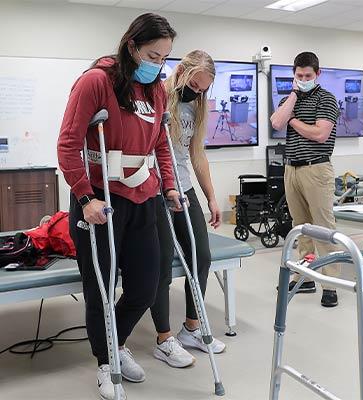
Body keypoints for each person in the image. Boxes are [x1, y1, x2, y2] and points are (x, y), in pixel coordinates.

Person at [57, 13, 180, 400]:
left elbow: (161, 142)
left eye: (164, 58)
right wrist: (84, 197)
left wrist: (171, 186)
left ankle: (117, 342)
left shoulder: (157, 90)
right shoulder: (96, 81)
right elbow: (68, 143)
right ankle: (106, 362)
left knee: (146, 285)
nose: (157, 65)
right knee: (101, 287)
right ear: (131, 46)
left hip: (145, 197)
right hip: (101, 201)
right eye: (152, 55)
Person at [150, 50, 226, 368]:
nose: (196, 92)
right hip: (155, 190)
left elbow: (196, 156)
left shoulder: (195, 108)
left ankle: (191, 329)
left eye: (202, 89)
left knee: (202, 257)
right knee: (162, 262)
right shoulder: (155, 98)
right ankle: (164, 339)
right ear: (181, 71)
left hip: (185, 187)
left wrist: (210, 197)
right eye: (194, 84)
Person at [270, 51, 340, 308]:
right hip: (292, 169)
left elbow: (320, 134)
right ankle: (306, 276)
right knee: (300, 227)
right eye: (298, 75)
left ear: (317, 74)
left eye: (307, 76)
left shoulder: (327, 99)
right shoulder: (291, 97)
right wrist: (293, 96)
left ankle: (330, 284)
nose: (303, 79)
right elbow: (277, 122)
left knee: (323, 228)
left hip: (317, 169)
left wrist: (294, 120)